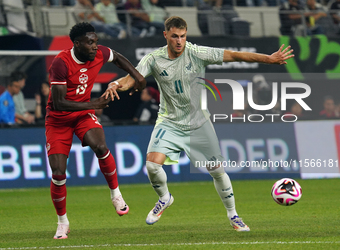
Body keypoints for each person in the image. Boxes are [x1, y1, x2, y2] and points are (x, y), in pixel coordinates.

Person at [103, 16, 294, 231]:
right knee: (152, 165)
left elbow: (234, 55)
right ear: (166, 35)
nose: (179, 41)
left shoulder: (196, 53)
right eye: (174, 36)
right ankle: (165, 198)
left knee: (217, 171)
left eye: (183, 36)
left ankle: (234, 216)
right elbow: (131, 79)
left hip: (199, 122)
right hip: (169, 122)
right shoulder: (153, 59)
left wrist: (269, 59)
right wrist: (115, 83)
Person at [46, 22, 146, 239]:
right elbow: (59, 103)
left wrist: (137, 75)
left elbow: (118, 57)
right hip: (58, 120)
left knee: (100, 146)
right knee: (58, 172)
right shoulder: (61, 63)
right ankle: (62, 222)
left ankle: (116, 194)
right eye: (90, 43)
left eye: (96, 42)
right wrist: (93, 104)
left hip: (82, 114)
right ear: (77, 43)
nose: (95, 47)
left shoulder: (99, 53)